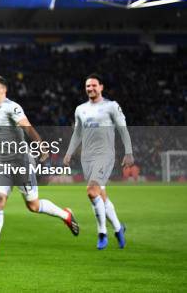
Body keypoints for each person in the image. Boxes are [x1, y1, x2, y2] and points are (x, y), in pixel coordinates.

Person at [0, 76, 79, 260]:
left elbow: (27, 127)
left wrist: (41, 145)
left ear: (3, 90)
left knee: (33, 205)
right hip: (3, 163)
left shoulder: (12, 107)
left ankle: (66, 215)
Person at [64, 74, 133, 250]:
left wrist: (128, 152)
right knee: (101, 194)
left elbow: (123, 129)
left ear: (101, 87)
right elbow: (77, 133)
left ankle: (102, 232)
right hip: (87, 157)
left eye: (94, 85)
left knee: (91, 191)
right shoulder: (80, 109)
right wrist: (69, 152)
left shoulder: (111, 106)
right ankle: (118, 228)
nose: (91, 89)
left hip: (105, 155)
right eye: (88, 86)